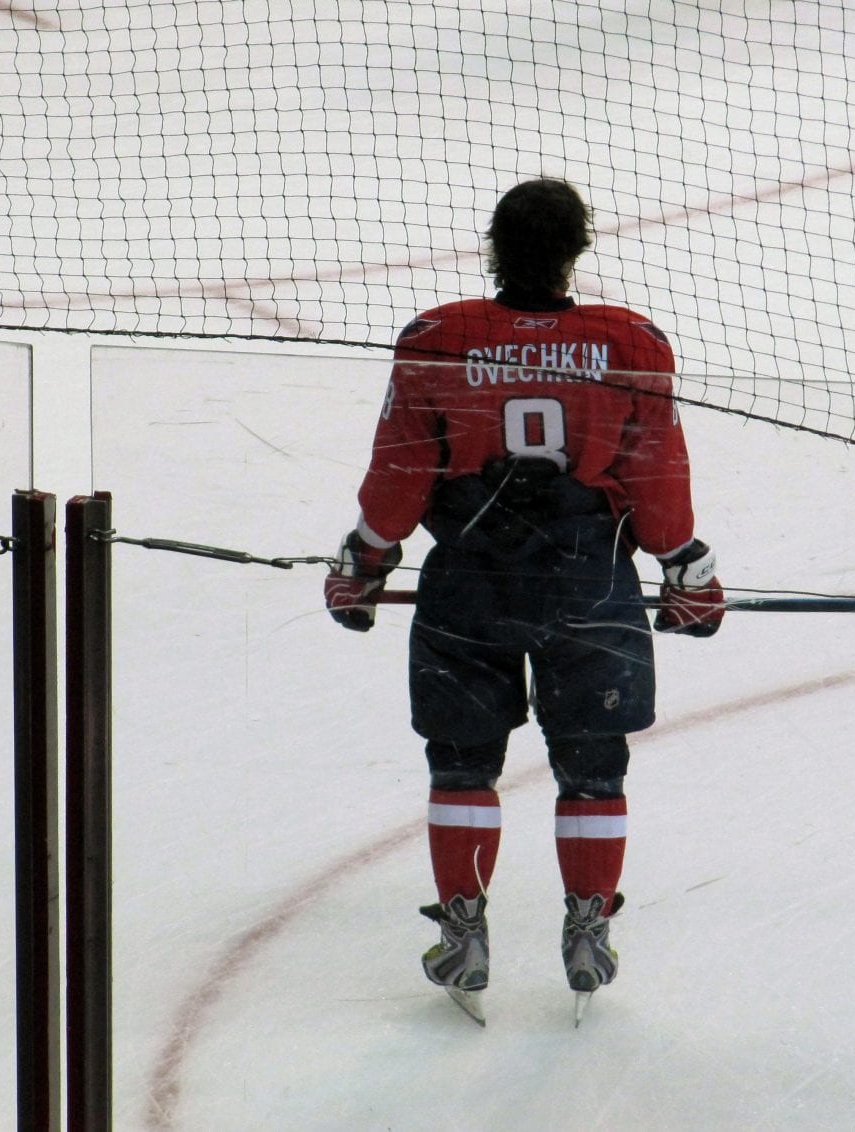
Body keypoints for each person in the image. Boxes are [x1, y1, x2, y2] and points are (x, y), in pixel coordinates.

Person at [324, 178, 725, 1020]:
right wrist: (686, 570)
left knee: (462, 763)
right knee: (594, 768)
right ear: (578, 249)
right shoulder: (631, 342)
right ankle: (589, 933)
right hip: (590, 579)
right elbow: (656, 475)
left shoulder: (439, 337)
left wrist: (364, 561)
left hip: (471, 581)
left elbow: (401, 470)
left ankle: (463, 934)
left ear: (493, 247)